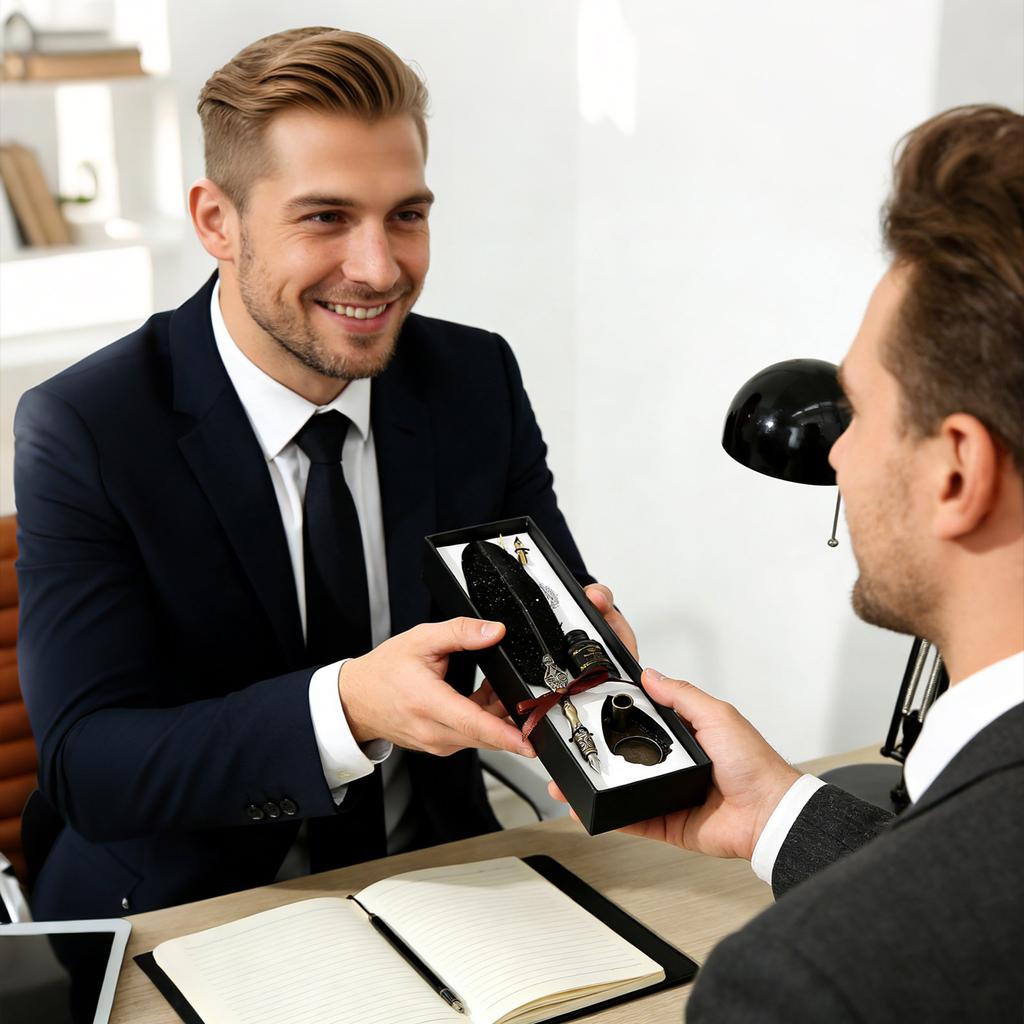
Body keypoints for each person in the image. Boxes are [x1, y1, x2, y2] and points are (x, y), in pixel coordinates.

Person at [13, 26, 626, 920]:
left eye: (406, 215)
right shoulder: (88, 428)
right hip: (191, 904)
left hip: (446, 874)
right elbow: (89, 767)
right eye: (326, 217)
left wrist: (576, 666)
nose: (380, 270)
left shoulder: (473, 379)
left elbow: (537, 624)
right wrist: (345, 710)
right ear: (217, 223)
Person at [554, 104, 1024, 1021]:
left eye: (859, 411)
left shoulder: (795, 986)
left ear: (957, 473)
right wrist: (778, 813)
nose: (836, 453)